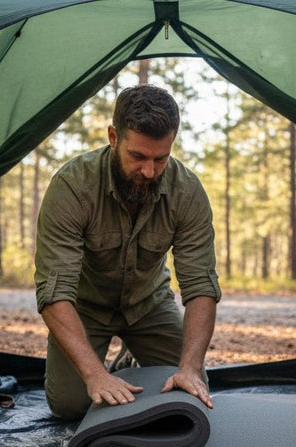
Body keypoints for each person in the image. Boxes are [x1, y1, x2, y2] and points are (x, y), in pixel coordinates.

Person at [33, 84, 221, 420]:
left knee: (191, 390)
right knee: (70, 405)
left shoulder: (187, 192)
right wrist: (95, 375)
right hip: (85, 308)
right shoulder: (72, 187)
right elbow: (53, 293)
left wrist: (190, 368)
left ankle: (131, 359)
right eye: (138, 156)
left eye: (160, 159)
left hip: (150, 304)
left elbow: (201, 287)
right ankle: (113, 365)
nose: (149, 171)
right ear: (113, 137)